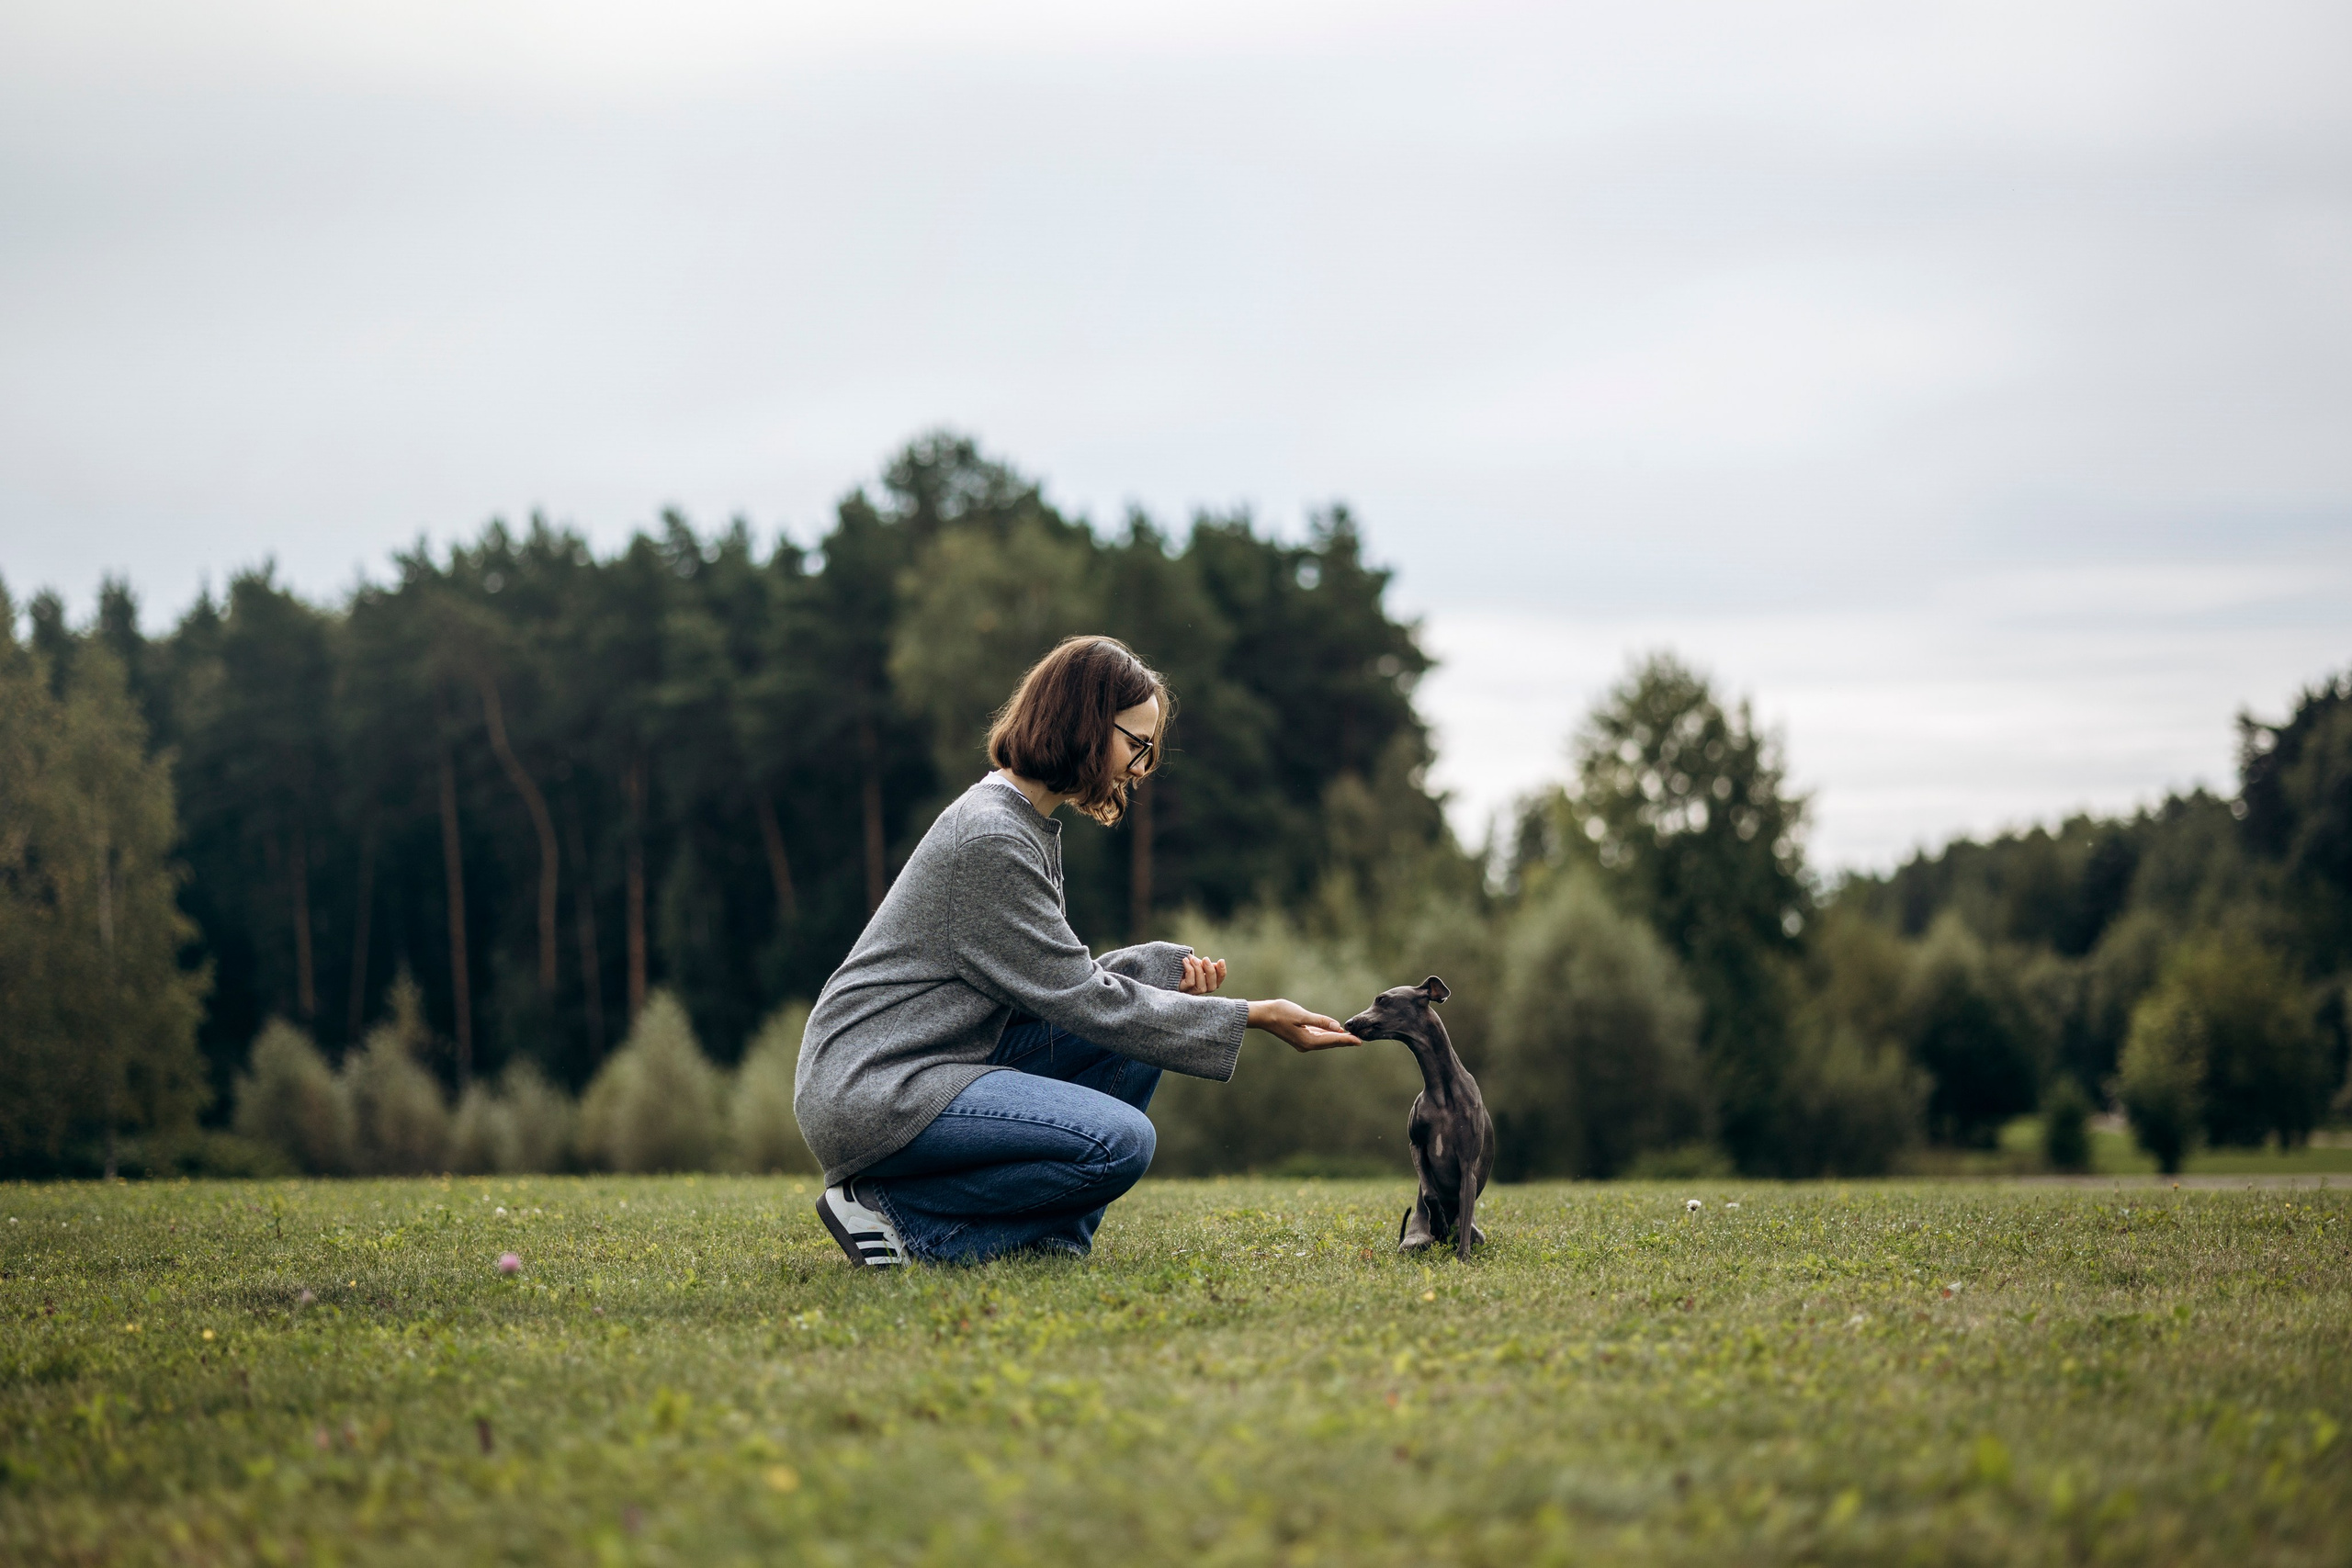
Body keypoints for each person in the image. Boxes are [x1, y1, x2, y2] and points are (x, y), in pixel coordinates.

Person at [794, 635, 1359, 1266]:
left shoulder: (1017, 823)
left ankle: (1051, 1240)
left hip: (931, 1064)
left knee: (1146, 1023)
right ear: (1087, 722)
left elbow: (1053, 979)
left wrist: (1161, 974)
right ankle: (900, 1217)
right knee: (1120, 1141)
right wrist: (1254, 1013)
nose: (1142, 767)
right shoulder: (991, 838)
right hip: (877, 1085)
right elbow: (1081, 997)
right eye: (1136, 743)